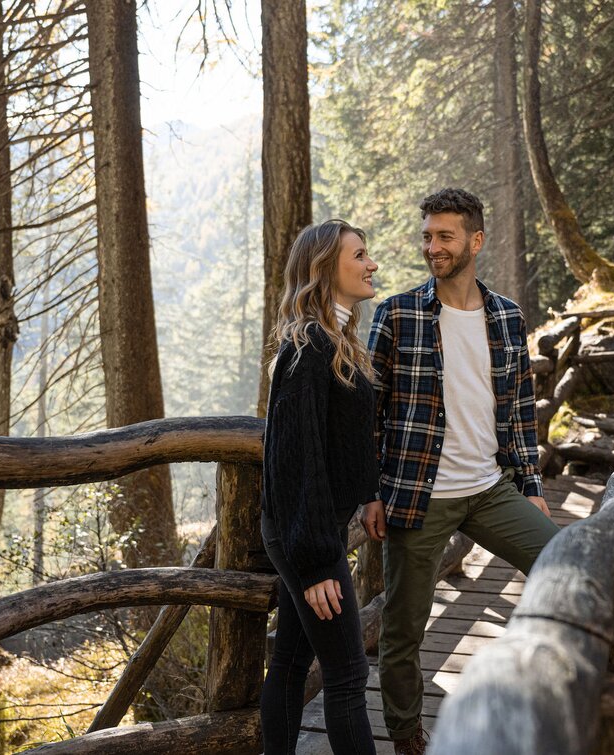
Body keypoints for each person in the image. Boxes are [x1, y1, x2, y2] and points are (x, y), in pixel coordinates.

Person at [360, 188, 561, 755]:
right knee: (403, 633)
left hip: (489, 489)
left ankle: (542, 694)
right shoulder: (397, 315)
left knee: (565, 565)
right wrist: (370, 493)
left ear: (475, 241)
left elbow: (519, 411)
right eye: (427, 236)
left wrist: (532, 488)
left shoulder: (506, 316)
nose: (433, 247)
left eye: (444, 236)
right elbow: (370, 415)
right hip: (417, 498)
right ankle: (406, 737)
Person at [260, 219, 380, 755]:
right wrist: (312, 565)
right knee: (349, 674)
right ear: (325, 267)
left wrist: (370, 490)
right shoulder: (307, 348)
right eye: (359, 254)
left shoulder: (335, 339)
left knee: (289, 661)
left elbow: (343, 440)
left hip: (313, 526)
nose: (371, 263)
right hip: (303, 534)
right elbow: (295, 458)